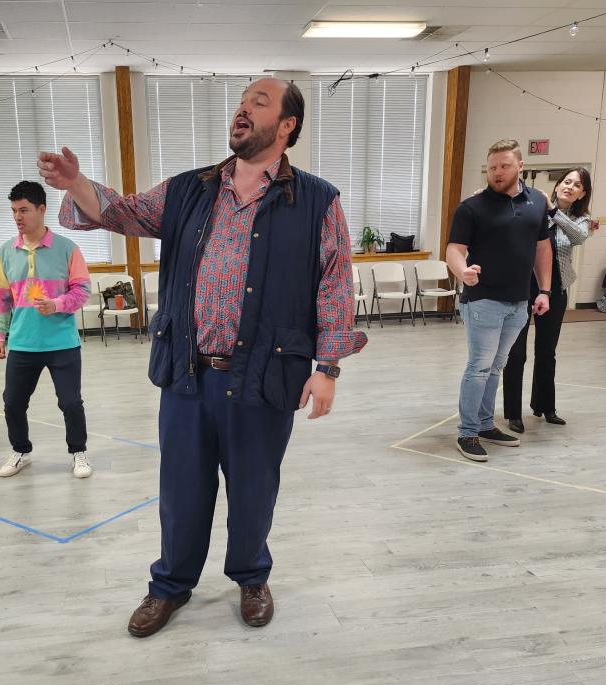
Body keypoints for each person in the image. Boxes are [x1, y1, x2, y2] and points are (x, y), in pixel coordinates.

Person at [39, 77, 366, 637]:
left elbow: (335, 286)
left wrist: (328, 368)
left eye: (258, 103)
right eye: (241, 101)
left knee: (255, 487)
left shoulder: (317, 200)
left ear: (286, 126)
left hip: (265, 374)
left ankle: (251, 577)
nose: (243, 109)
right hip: (187, 373)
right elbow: (121, 213)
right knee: (181, 489)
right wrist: (78, 185)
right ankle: (169, 585)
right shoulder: (191, 189)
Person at [446, 139, 552, 463]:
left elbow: (542, 248)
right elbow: (454, 249)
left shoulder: (537, 203)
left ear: (520, 165)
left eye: (504, 166)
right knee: (479, 367)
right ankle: (467, 432)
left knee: (496, 368)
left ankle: (485, 423)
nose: (497, 172)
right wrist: (463, 272)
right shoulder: (472, 207)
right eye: (492, 167)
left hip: (519, 303)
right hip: (483, 301)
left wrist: (544, 290)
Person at [0, 181, 93, 479]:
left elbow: (83, 290)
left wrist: (58, 304)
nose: (17, 217)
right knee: (12, 403)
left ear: (41, 209)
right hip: (23, 343)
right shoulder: (6, 252)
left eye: (24, 210)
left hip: (62, 342)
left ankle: (78, 452)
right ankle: (20, 450)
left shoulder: (67, 249)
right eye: (13, 211)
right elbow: (2, 297)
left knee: (71, 402)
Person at [503, 167, 593, 433]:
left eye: (576, 185)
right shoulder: (534, 209)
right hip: (522, 287)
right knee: (516, 352)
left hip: (556, 290)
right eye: (567, 181)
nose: (570, 187)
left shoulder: (581, 219)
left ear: (582, 193)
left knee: (546, 351)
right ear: (557, 185)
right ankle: (512, 413)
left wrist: (554, 212)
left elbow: (578, 237)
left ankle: (546, 407)